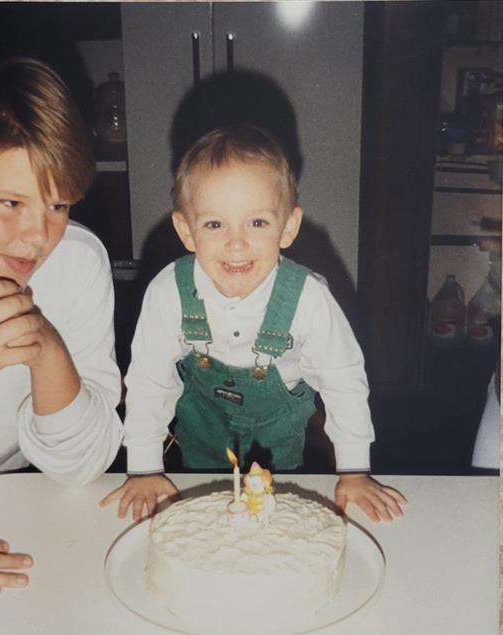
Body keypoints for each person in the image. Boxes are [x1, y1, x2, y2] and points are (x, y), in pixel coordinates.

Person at [100, 124, 406, 523]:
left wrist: (354, 470)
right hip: (198, 450)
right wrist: (143, 467)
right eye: (214, 224)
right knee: (204, 527)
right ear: (186, 231)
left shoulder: (309, 299)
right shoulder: (168, 292)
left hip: (279, 455)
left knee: (272, 529)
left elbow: (343, 381)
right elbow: (149, 382)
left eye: (257, 223)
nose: (237, 243)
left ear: (289, 227)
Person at [0, 57, 124, 599]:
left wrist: (47, 349)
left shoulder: (76, 262)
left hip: (16, 516)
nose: (38, 238)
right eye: (10, 203)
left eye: (58, 205)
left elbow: (82, 466)